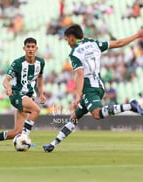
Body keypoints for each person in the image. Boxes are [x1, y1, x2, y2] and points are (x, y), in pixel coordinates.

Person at [43, 24, 143, 153]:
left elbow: (80, 74)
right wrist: (137, 35)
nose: (67, 42)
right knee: (74, 117)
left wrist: (78, 95)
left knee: (96, 114)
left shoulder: (74, 53)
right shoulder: (93, 43)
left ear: (72, 38)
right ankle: (53, 144)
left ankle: (130, 106)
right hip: (100, 85)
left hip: (88, 88)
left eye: (67, 39)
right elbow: (119, 43)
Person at [0, 37, 46, 146]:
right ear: (24, 48)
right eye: (28, 47)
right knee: (36, 110)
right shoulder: (18, 63)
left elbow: (40, 77)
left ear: (36, 48)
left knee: (17, 132)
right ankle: (24, 138)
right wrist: (8, 87)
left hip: (29, 96)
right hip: (17, 94)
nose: (30, 49)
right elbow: (6, 80)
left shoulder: (41, 62)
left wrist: (41, 93)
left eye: (33, 47)